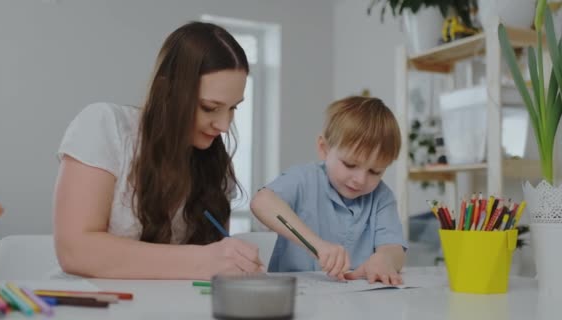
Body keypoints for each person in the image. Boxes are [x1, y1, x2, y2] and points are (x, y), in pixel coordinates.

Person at [53, 21, 264, 280]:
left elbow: (214, 269)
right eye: (210, 108)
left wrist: (233, 263)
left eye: (233, 108)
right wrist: (203, 260)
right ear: (168, 91)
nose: (223, 125)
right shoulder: (105, 127)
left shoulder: (215, 163)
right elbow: (75, 251)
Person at [251, 96, 407, 284]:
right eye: (350, 165)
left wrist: (385, 259)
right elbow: (261, 202)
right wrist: (316, 245)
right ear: (324, 149)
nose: (360, 180)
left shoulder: (381, 197)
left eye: (375, 171)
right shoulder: (303, 179)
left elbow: (394, 249)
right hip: (295, 294)